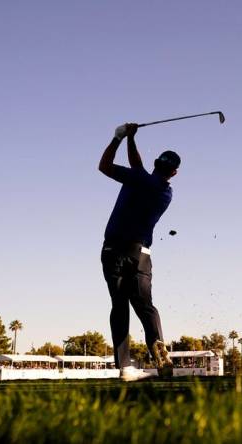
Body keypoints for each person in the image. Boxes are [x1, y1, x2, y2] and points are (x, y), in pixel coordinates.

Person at [98, 122, 178, 382]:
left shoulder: (138, 178)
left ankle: (124, 367)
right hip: (140, 254)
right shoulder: (166, 192)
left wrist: (120, 137)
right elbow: (136, 167)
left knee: (119, 305)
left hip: (112, 250)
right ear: (174, 173)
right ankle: (157, 342)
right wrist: (129, 139)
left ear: (155, 164)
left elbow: (105, 166)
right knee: (145, 306)